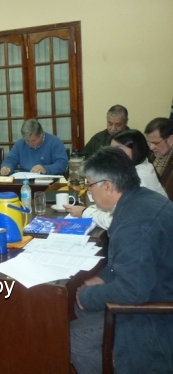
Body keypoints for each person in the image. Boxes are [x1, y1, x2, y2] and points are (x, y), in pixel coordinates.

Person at [69, 147, 173, 374]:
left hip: (157, 315)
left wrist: (87, 296)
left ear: (107, 186)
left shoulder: (133, 222)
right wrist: (103, 277)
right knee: (81, 308)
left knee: (74, 338)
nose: (89, 192)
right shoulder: (143, 199)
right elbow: (134, 261)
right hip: (157, 287)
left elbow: (133, 291)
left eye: (90, 185)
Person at [64, 129, 167, 228]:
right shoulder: (135, 167)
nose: (112, 155)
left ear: (136, 150)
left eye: (118, 149)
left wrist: (84, 212)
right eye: (111, 150)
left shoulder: (141, 176)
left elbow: (115, 221)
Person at [0, 119, 68, 175]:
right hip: (25, 180)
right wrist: (7, 167)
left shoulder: (55, 142)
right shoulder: (20, 143)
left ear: (41, 134)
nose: (30, 144)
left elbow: (62, 163)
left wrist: (46, 169)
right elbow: (10, 159)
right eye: (27, 141)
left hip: (50, 180)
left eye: (33, 140)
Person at [144, 117, 173, 200]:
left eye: (155, 143)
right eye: (149, 143)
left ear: (171, 140)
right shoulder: (151, 154)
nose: (151, 147)